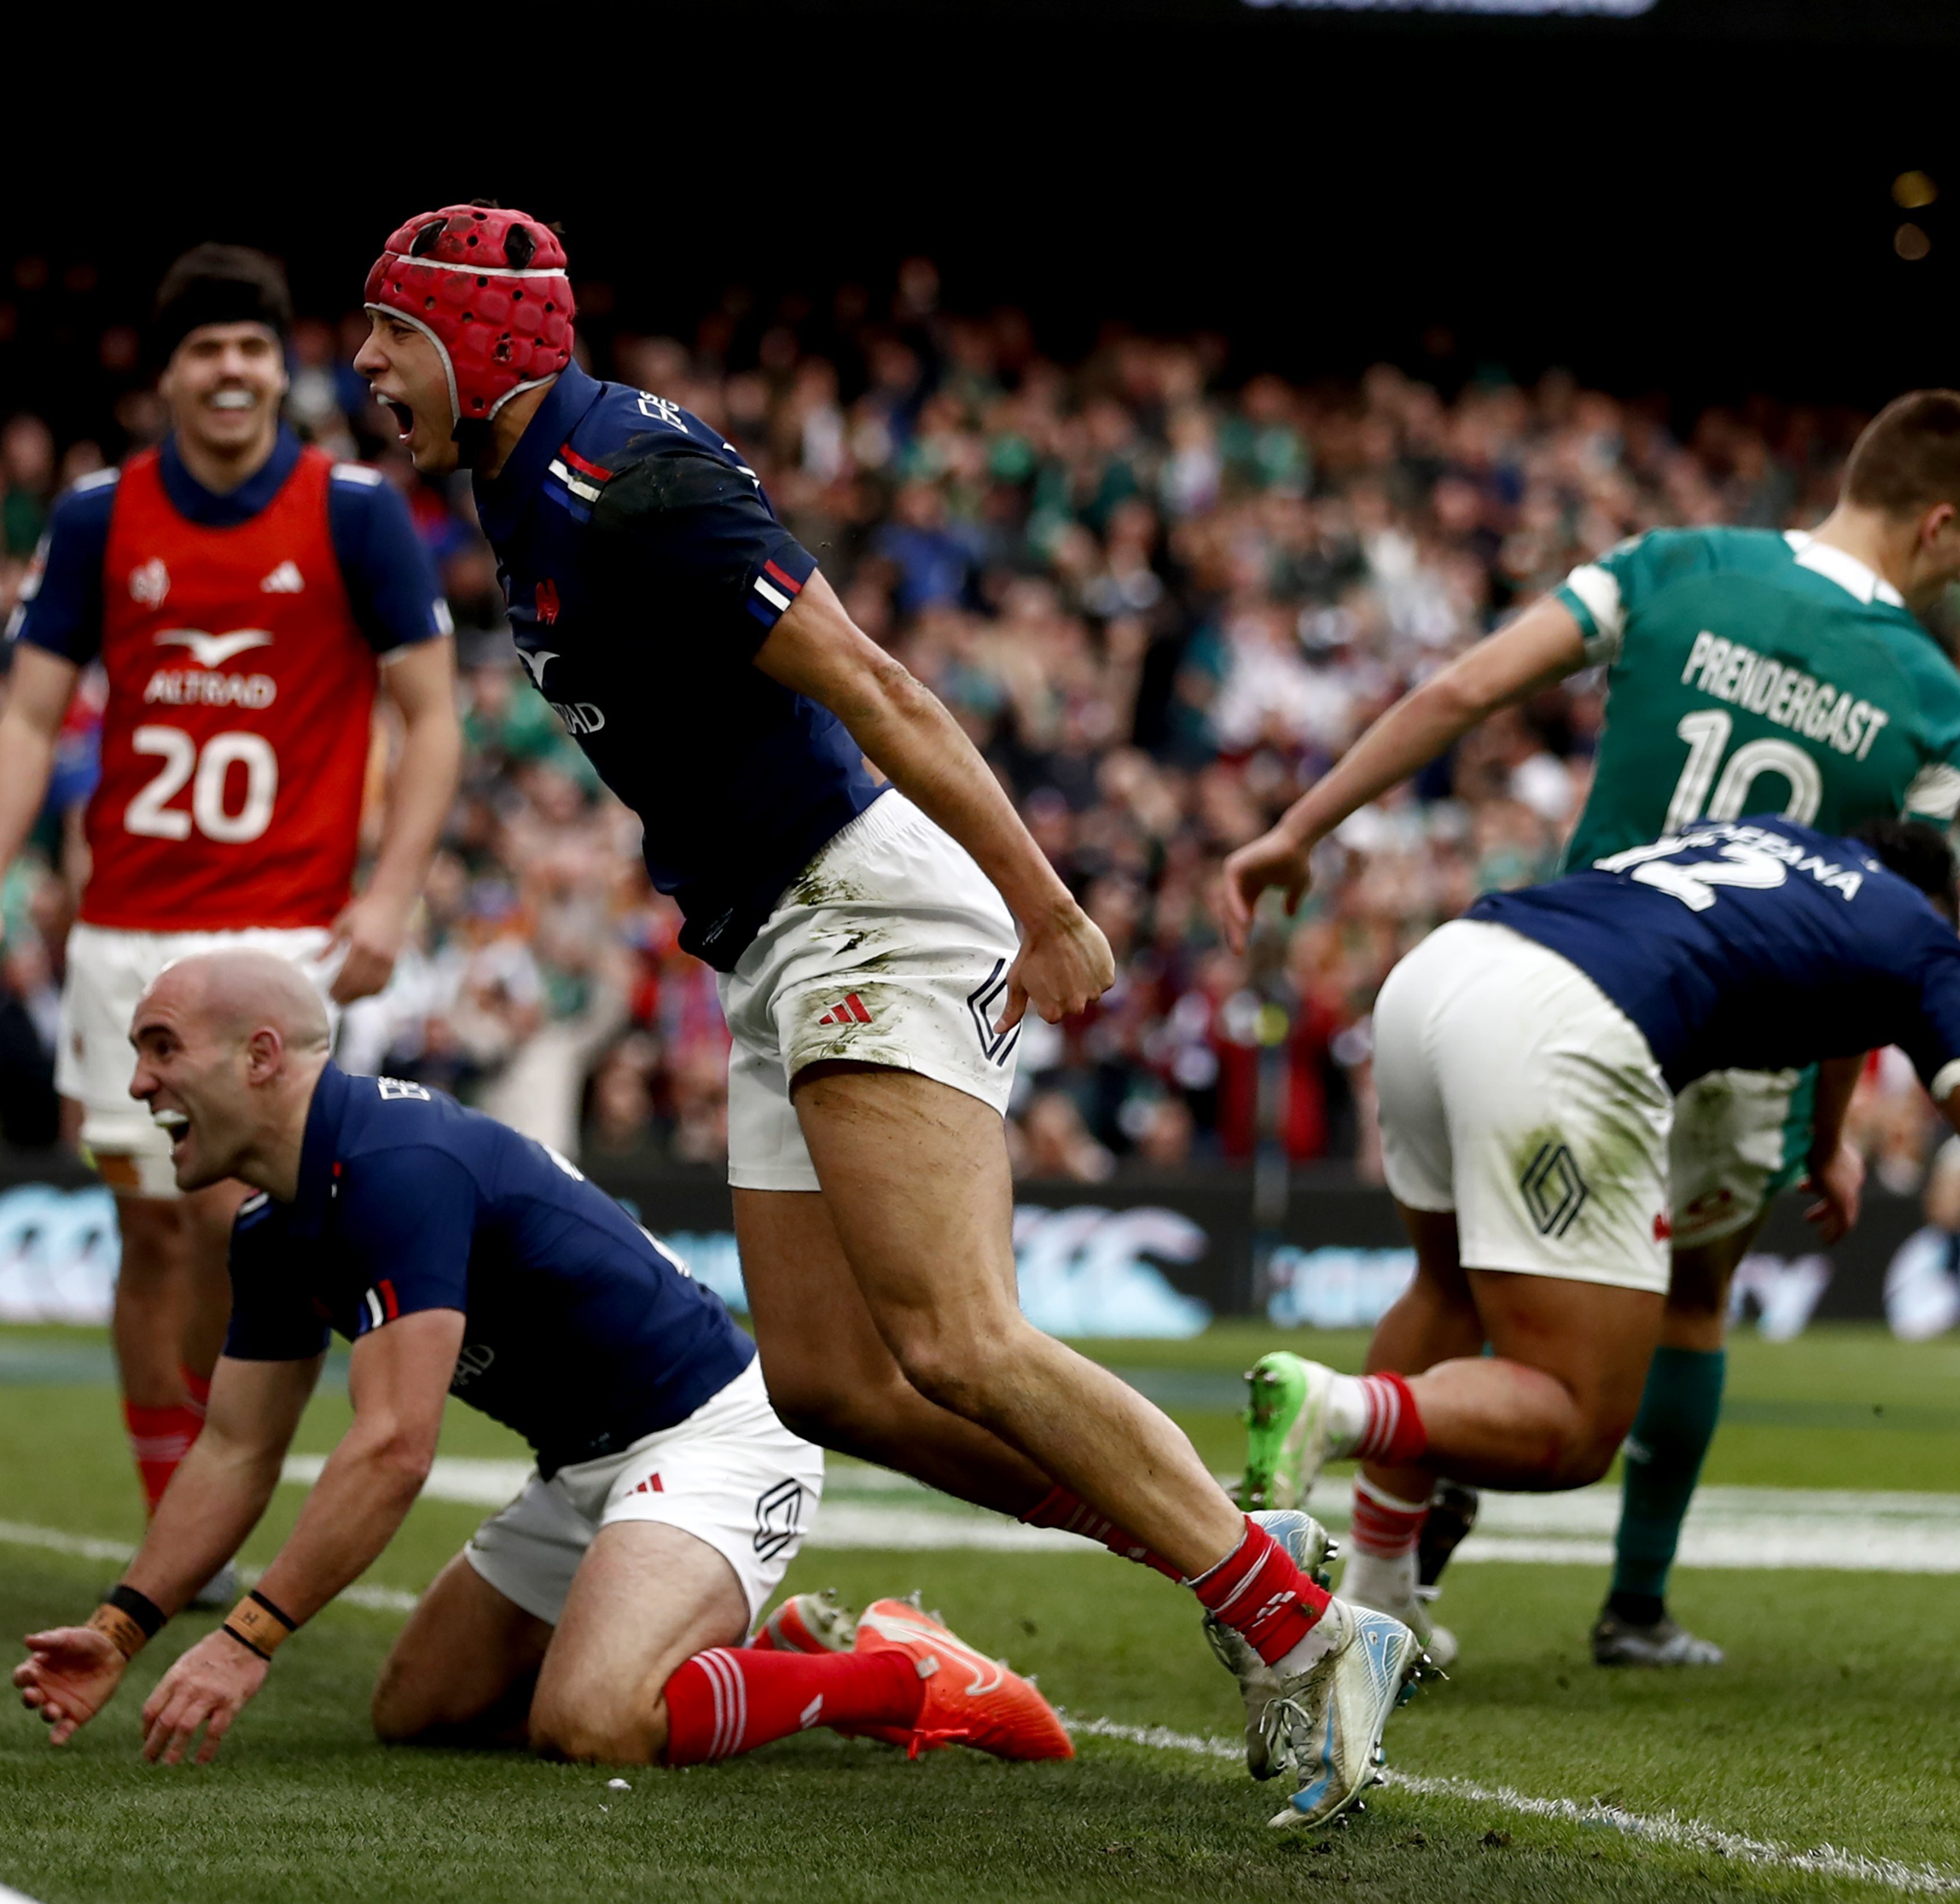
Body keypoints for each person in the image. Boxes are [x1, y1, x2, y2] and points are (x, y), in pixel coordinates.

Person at [352, 203, 1416, 1827]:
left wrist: (1048, 903)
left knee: (959, 1339)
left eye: (392, 332)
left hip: (867, 902)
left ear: (484, 341)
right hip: (770, 931)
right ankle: (1240, 1550)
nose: (364, 365)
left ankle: (1299, 1628)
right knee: (833, 1386)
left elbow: (877, 683)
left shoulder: (631, 477)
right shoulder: (515, 486)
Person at [1219, 390, 1960, 1668]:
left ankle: (1382, 1572)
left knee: (1453, 1283)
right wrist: (1830, 1125)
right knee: (1690, 1312)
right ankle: (1632, 1604)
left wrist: (1300, 827)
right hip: (1733, 1044)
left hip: (1569, 967)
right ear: (1937, 524)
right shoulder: (1936, 707)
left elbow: (1465, 689)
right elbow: (1872, 929)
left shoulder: (1674, 564)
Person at [9, 950, 1070, 1772]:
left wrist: (248, 1637)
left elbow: (391, 1452)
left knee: (594, 1721)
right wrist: (119, 1629)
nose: (139, 1082)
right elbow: (236, 1448)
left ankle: (902, 1677)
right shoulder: (274, 1225)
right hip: (584, 1464)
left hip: (716, 1437)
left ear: (261, 1056)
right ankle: (757, 1652)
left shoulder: (393, 1168)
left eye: (160, 1047)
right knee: (416, 1714)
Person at [0, 246, 462, 1567]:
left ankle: (226, 1499)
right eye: (205, 350)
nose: (232, 370)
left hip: (286, 936)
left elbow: (433, 716)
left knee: (249, 1228)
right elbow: (31, 715)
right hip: (125, 938)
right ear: (167, 375)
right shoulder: (98, 518)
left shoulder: (354, 513)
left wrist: (393, 896)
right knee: (153, 1233)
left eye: (252, 347)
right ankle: (180, 1515)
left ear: (280, 369)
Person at [1238, 821, 1960, 1622]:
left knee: (1446, 1288)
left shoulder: (1776, 841)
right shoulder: (1916, 934)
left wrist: (1825, 1140)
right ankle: (1339, 1407)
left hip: (1445, 967)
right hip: (1562, 1023)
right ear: (1940, 909)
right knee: (1574, 1422)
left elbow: (1843, 1008)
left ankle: (1377, 1591)